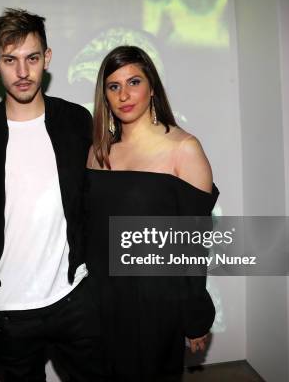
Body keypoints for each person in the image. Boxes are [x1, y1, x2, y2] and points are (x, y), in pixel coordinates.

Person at [0, 8, 108, 381]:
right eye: (10, 60)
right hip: (7, 308)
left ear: (48, 57)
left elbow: (102, 198)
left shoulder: (77, 122)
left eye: (32, 58)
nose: (23, 72)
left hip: (74, 295)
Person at [84, 45, 218, 381]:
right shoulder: (97, 152)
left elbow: (193, 244)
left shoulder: (183, 149)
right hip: (103, 300)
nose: (124, 94)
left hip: (156, 304)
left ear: (152, 87)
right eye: (113, 86)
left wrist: (195, 314)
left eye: (134, 82)